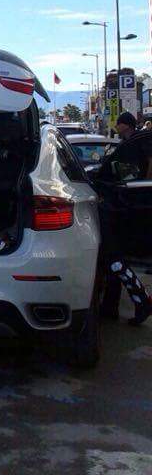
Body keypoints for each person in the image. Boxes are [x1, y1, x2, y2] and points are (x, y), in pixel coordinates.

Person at [97, 111, 152, 326]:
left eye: (119, 124)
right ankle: (111, 306)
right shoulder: (134, 142)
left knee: (113, 257)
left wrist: (144, 191)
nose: (116, 127)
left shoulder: (142, 140)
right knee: (113, 258)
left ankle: (140, 301)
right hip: (126, 204)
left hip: (126, 206)